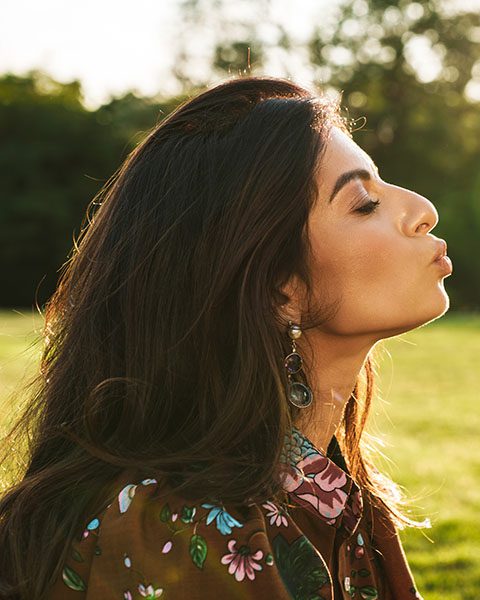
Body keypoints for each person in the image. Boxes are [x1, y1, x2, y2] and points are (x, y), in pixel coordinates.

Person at [0, 78, 452, 599]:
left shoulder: (336, 494)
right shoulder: (175, 533)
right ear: (278, 288)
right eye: (364, 202)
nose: (423, 210)